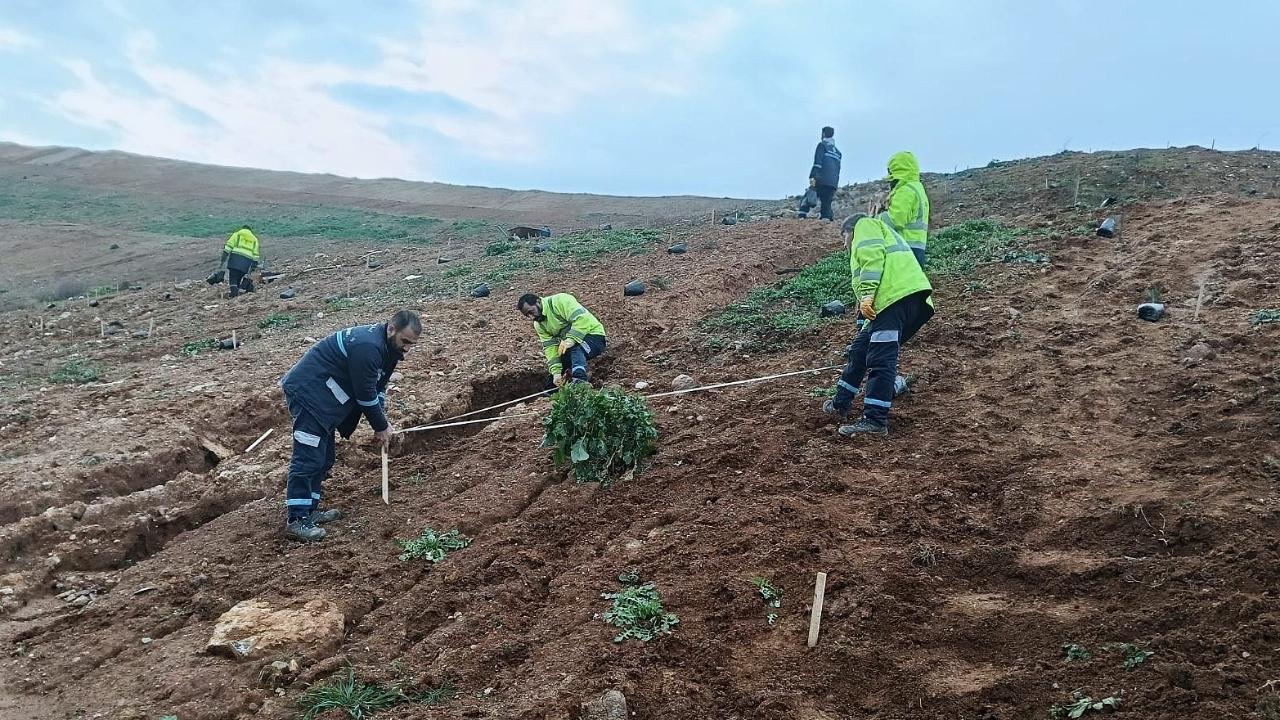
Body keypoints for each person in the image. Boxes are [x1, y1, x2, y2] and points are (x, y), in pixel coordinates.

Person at [279, 310, 421, 541]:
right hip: (309, 394)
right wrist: (381, 426)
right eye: (405, 342)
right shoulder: (368, 347)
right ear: (391, 329)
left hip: (325, 401)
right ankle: (297, 519)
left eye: (412, 344)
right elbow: (365, 394)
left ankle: (310, 510)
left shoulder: (390, 350)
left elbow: (378, 388)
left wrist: (381, 419)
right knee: (308, 457)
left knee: (324, 458)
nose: (407, 348)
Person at [822, 212, 933, 436]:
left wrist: (867, 295)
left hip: (895, 299)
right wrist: (866, 322)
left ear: (850, 230)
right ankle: (839, 405)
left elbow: (872, 259)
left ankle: (874, 420)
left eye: (844, 238)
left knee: (880, 359)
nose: (844, 245)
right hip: (898, 302)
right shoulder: (880, 231)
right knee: (860, 350)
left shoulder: (865, 225)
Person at [517, 293, 607, 389]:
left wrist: (571, 339)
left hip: (594, 337)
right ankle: (549, 392)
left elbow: (581, 319)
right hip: (571, 344)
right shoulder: (539, 325)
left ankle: (580, 380)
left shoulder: (560, 301)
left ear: (538, 302)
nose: (531, 317)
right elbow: (550, 348)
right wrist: (556, 373)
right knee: (560, 364)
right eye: (527, 315)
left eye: (531, 312)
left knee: (575, 349)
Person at [880, 151, 930, 267]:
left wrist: (876, 218)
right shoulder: (917, 188)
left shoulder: (906, 190)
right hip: (917, 249)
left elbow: (894, 220)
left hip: (904, 248)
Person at [797, 126, 842, 220]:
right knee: (827, 201)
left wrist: (812, 176)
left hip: (821, 178)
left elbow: (818, 162)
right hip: (833, 182)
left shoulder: (822, 145)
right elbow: (838, 168)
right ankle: (825, 219)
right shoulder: (838, 152)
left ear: (823, 134)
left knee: (809, 194)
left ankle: (802, 215)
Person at [219, 225, 264, 298]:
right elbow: (256, 256)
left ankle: (234, 295)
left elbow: (227, 248)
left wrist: (222, 261)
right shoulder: (255, 239)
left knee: (233, 278)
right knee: (239, 277)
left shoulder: (237, 234)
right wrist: (253, 267)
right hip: (246, 263)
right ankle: (237, 293)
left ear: (242, 229)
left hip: (235, 260)